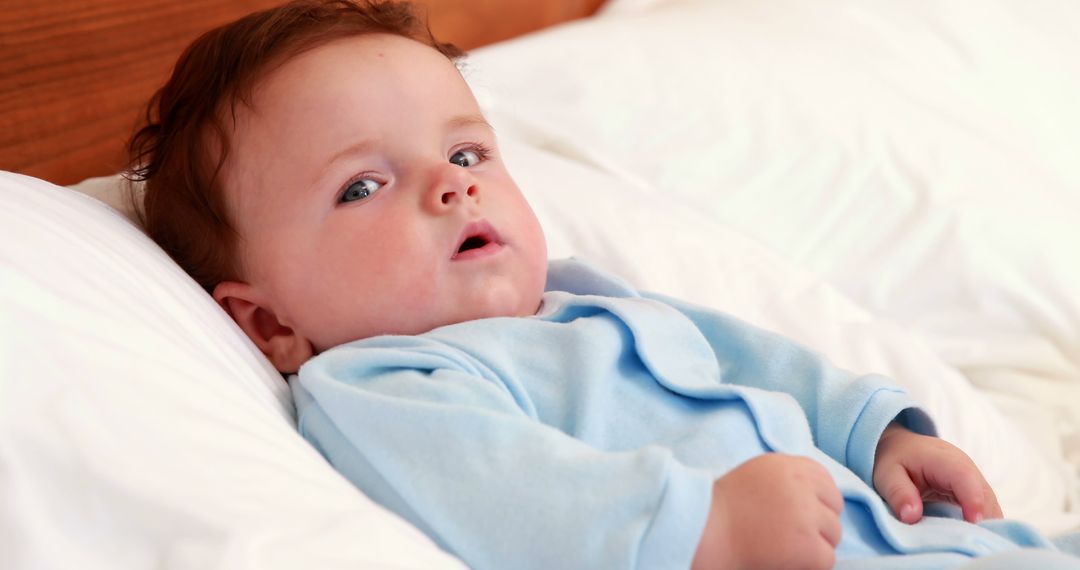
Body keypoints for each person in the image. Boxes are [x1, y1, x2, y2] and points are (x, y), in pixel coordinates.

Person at [127, 1, 1080, 568]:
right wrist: (704, 530)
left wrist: (876, 436)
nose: (451, 183)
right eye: (363, 185)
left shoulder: (595, 301)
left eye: (465, 150)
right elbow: (518, 499)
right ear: (268, 324)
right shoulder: (384, 386)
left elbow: (762, 361)